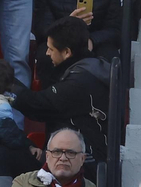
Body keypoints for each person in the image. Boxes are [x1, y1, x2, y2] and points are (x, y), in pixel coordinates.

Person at [10, 17, 111, 165]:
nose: (47, 53)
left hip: (86, 162)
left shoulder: (80, 81)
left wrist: (5, 81)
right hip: (75, 154)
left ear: (67, 52)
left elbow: (38, 105)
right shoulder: (91, 68)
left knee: (2, 157)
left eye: (51, 49)